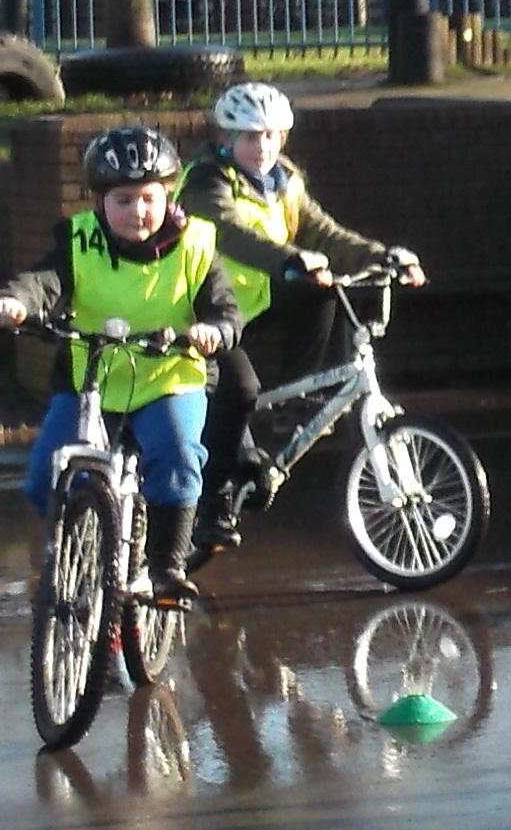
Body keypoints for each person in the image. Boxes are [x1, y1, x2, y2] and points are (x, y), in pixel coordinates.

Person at [0, 123, 240, 602]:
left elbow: (225, 309)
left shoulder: (196, 245)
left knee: (177, 455)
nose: (137, 211)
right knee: (44, 477)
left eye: (148, 199)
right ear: (99, 201)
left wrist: (215, 330)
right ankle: (84, 547)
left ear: (168, 196)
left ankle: (164, 566)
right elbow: (41, 282)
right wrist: (14, 303)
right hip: (92, 383)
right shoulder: (79, 242)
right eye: (123, 200)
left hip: (169, 377)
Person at [179, 80, 423, 540]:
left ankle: (295, 404)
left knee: (321, 291)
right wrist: (289, 260)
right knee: (239, 393)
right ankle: (212, 508)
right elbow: (231, 234)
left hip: (254, 305)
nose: (263, 147)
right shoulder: (205, 181)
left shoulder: (283, 183)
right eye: (251, 136)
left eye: (271, 135)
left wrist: (383, 256)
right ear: (226, 138)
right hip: (204, 313)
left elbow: (325, 233)